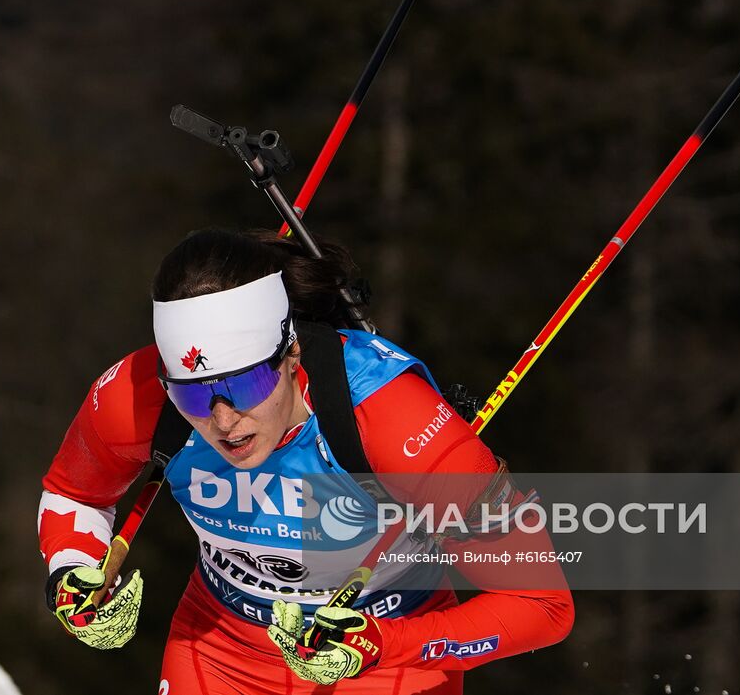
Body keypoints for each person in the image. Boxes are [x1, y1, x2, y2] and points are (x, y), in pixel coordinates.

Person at [38, 228, 573, 693]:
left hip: (384, 655)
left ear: (290, 352)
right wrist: (73, 570)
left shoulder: (389, 417)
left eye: (245, 384)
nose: (224, 422)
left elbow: (541, 602)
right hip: (221, 645)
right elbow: (75, 492)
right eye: (195, 397)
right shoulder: (137, 398)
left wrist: (385, 643)